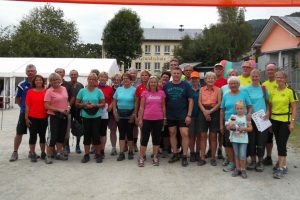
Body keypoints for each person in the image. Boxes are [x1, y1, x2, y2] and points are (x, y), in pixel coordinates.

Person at [220, 76, 252, 172]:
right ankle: (232, 163)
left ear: (239, 84)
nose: (233, 85)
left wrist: (249, 114)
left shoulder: (244, 94)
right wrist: (221, 125)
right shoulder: (225, 94)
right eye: (231, 83)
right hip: (229, 124)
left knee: (241, 142)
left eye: (235, 83)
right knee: (229, 144)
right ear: (228, 85)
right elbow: (222, 110)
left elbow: (250, 106)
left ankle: (241, 164)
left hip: (242, 122)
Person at [270, 71, 298, 179]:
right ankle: (284, 165)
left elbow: (294, 108)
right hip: (274, 120)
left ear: (285, 79)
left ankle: (280, 168)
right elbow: (271, 106)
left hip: (285, 121)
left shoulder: (290, 91)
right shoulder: (273, 91)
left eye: (281, 77)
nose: (279, 79)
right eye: (277, 77)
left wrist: (292, 122)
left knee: (281, 144)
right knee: (279, 143)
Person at [163, 66, 193, 167]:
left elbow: (191, 100)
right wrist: (164, 116)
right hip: (170, 114)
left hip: (183, 114)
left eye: (178, 73)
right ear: (171, 74)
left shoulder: (186, 85)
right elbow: (163, 101)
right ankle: (175, 153)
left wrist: (189, 115)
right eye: (174, 73)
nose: (176, 75)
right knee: (172, 133)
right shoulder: (166, 85)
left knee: (184, 134)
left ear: (181, 74)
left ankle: (184, 155)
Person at [9, 64, 37, 162]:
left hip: (35, 114)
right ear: (26, 72)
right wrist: (24, 109)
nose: (30, 72)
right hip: (24, 113)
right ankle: (15, 152)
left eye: (32, 71)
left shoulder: (39, 83)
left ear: (35, 72)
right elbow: (17, 99)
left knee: (33, 133)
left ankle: (31, 152)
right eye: (28, 71)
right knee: (19, 133)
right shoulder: (22, 85)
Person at [244, 69, 270, 172]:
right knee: (251, 140)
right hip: (251, 118)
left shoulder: (263, 89)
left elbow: (268, 103)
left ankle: (260, 161)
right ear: (250, 77)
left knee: (261, 141)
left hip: (262, 118)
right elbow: (246, 103)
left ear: (260, 77)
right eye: (253, 76)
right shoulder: (246, 89)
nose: (255, 78)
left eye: (256, 76)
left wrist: (268, 112)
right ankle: (253, 161)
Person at [76, 73, 105, 163]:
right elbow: (77, 104)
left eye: (93, 79)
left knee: (96, 135)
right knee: (87, 135)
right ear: (87, 80)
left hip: (96, 116)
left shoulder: (99, 91)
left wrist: (95, 105)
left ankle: (98, 154)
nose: (91, 81)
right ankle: (86, 154)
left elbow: (103, 103)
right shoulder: (82, 91)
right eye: (90, 79)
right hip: (85, 116)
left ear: (96, 81)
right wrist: (85, 105)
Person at [138, 76, 166, 167]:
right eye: (151, 82)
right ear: (149, 83)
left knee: (156, 139)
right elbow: (141, 107)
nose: (153, 84)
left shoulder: (161, 93)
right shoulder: (145, 93)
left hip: (158, 119)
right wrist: (140, 119)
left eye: (155, 82)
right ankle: (141, 157)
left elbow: (163, 107)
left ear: (157, 83)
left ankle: (155, 157)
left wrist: (164, 118)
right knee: (144, 139)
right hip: (146, 119)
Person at [44, 73, 69, 164]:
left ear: (60, 80)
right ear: (50, 81)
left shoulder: (64, 88)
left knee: (61, 135)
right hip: (54, 116)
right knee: (52, 137)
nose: (55, 82)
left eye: (57, 80)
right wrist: (60, 109)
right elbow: (46, 105)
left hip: (63, 115)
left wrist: (68, 107)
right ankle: (49, 155)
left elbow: (66, 100)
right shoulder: (49, 91)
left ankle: (59, 153)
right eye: (53, 80)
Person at [198, 72, 221, 166]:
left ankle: (213, 157)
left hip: (214, 111)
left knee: (213, 136)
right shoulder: (201, 89)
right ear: (205, 80)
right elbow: (199, 102)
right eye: (208, 78)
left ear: (215, 80)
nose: (210, 80)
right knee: (203, 135)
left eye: (212, 78)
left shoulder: (218, 90)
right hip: (203, 111)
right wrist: (205, 111)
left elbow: (219, 103)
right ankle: (202, 157)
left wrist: (210, 112)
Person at [206, 63, 227, 160]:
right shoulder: (209, 80)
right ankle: (211, 149)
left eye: (220, 69)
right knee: (212, 132)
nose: (218, 70)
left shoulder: (226, 82)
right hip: (212, 110)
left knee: (220, 132)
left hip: (221, 110)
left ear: (222, 71)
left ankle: (219, 149)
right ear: (214, 70)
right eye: (216, 69)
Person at [113, 73, 136, 161]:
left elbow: (136, 103)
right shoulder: (118, 89)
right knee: (121, 134)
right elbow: (114, 101)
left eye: (127, 78)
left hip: (130, 114)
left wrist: (134, 114)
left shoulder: (134, 90)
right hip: (120, 115)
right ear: (122, 80)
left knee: (130, 134)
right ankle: (121, 152)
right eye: (124, 78)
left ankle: (130, 151)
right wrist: (115, 112)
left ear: (131, 80)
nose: (125, 80)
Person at [227, 101, 253, 179]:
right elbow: (229, 127)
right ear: (235, 109)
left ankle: (243, 169)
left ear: (245, 109)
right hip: (235, 139)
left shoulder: (246, 118)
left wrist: (244, 128)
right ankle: (237, 169)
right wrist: (230, 126)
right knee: (237, 154)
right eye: (238, 108)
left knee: (242, 155)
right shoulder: (233, 117)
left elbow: (250, 128)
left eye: (241, 108)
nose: (239, 110)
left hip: (243, 140)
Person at [25, 74, 47, 162]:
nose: (38, 81)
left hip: (43, 117)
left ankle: (43, 153)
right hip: (32, 117)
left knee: (42, 136)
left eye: (40, 80)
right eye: (37, 80)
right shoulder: (30, 92)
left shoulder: (46, 91)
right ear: (34, 82)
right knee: (33, 136)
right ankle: (33, 153)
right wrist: (26, 118)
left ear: (43, 81)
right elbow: (27, 106)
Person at [262, 63, 278, 166]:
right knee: (268, 137)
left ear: (275, 70)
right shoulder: (264, 85)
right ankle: (268, 157)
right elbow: (264, 100)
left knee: (280, 138)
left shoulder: (280, 82)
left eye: (272, 70)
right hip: (267, 115)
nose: (270, 71)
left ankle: (281, 160)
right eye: (268, 70)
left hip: (278, 115)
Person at [54, 68, 73, 155]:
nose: (59, 73)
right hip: (54, 112)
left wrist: (68, 107)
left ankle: (65, 147)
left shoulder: (68, 85)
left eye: (61, 72)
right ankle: (54, 149)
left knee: (65, 131)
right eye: (57, 72)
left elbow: (72, 97)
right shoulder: (51, 85)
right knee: (54, 131)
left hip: (66, 112)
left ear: (64, 74)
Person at [98, 72, 114, 159]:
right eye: (101, 77)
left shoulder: (109, 88)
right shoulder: (95, 87)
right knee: (96, 131)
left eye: (104, 77)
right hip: (95, 112)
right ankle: (96, 148)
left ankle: (102, 150)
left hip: (105, 112)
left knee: (103, 132)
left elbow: (113, 100)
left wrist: (111, 106)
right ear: (99, 78)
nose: (103, 79)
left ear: (107, 79)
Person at [69, 69, 84, 154]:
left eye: (75, 74)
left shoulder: (81, 85)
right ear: (70, 75)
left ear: (77, 75)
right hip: (69, 109)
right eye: (72, 74)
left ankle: (78, 145)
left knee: (79, 127)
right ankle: (66, 145)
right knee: (67, 127)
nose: (73, 76)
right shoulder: (66, 85)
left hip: (78, 109)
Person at [188, 71, 201, 163]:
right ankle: (192, 153)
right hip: (191, 115)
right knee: (191, 136)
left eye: (196, 78)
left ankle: (197, 153)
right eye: (193, 78)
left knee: (199, 136)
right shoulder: (188, 89)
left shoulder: (202, 89)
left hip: (200, 115)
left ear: (199, 79)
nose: (194, 80)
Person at [128, 67, 141, 152]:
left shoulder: (139, 83)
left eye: (134, 73)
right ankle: (126, 144)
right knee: (127, 127)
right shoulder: (123, 82)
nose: (132, 75)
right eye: (131, 73)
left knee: (135, 127)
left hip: (137, 107)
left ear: (136, 74)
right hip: (126, 108)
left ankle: (135, 144)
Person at [108, 74, 121, 156]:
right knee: (113, 130)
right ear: (112, 81)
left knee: (123, 131)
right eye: (114, 80)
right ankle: (113, 147)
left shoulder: (123, 88)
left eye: (118, 80)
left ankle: (124, 147)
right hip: (111, 113)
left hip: (122, 112)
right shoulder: (109, 89)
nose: (116, 81)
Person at [159, 71, 171, 156]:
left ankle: (166, 148)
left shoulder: (170, 87)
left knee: (166, 131)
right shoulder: (157, 87)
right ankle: (159, 147)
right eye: (164, 77)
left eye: (167, 77)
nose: (165, 78)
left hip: (168, 112)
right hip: (158, 112)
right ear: (161, 78)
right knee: (158, 131)